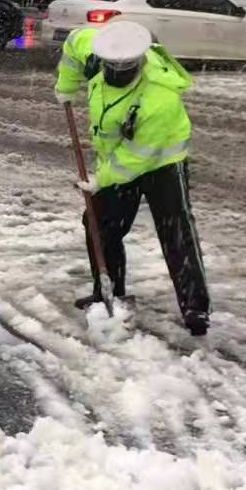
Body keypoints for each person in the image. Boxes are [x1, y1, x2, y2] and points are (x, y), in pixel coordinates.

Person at [54, 20, 211, 335]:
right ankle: (108, 291)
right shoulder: (96, 49)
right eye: (109, 69)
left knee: (176, 231)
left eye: (123, 73)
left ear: (138, 64)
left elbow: (138, 156)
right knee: (100, 223)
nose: (115, 75)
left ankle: (196, 308)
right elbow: (73, 45)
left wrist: (102, 179)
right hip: (119, 158)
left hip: (162, 162)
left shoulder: (159, 97)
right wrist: (66, 85)